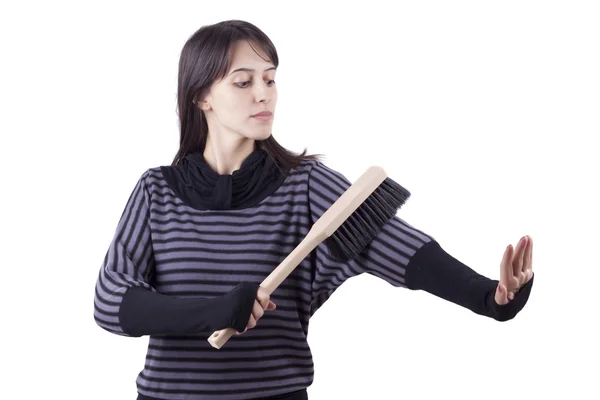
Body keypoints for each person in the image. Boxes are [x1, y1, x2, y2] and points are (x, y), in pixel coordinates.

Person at [93, 19, 534, 400]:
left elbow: (401, 249)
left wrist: (488, 296)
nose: (263, 94)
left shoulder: (305, 184)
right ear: (201, 97)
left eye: (270, 78)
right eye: (243, 82)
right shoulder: (156, 191)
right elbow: (112, 301)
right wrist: (216, 311)